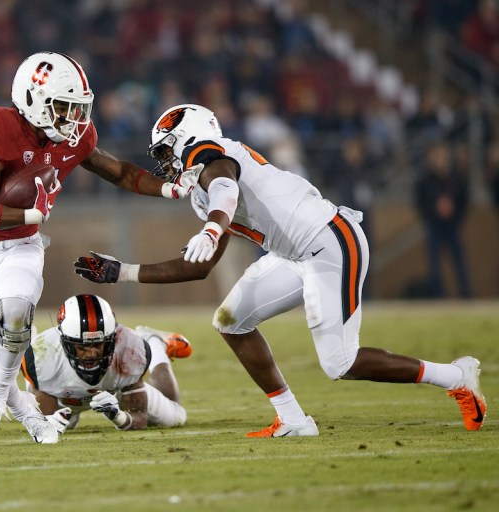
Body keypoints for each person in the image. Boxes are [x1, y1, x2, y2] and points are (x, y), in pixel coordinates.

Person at [74, 103, 486, 437]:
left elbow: (225, 186)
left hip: (330, 242)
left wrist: (214, 227)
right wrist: (120, 272)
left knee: (339, 363)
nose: (164, 162)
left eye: (166, 150)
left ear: (188, 140)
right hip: (293, 255)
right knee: (230, 320)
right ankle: (292, 418)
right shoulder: (200, 196)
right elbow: (197, 267)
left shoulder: (213, 156)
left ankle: (455, 376)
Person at [0, 52, 197, 444]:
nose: (75, 117)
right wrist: (33, 213)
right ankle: (23, 412)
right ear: (32, 100)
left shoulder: (75, 136)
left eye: (79, 107)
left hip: (21, 247)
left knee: (16, 313)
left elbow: (117, 170)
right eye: (64, 106)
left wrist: (168, 188)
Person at [21, 294, 191, 433]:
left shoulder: (129, 349)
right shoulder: (42, 358)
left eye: (98, 344)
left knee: (177, 416)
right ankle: (27, 334)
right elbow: (44, 429)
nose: (92, 353)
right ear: (66, 342)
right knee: (64, 425)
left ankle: (154, 341)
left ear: (112, 339)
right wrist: (50, 424)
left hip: (113, 388)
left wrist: (118, 416)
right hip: (61, 394)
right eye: (83, 346)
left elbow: (139, 418)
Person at [414, 142, 472, 299]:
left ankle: (466, 294)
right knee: (434, 264)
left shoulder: (457, 177)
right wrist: (435, 211)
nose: (438, 159)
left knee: (459, 261)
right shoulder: (424, 179)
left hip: (453, 226)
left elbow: (465, 201)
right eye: (434, 156)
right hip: (434, 226)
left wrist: (456, 215)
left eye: (440, 155)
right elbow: (420, 203)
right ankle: (437, 296)